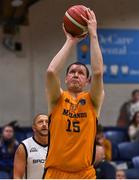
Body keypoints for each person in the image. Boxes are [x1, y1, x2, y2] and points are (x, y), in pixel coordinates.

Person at [43, 8, 104, 179]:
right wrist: (70, 41)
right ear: (66, 79)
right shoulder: (57, 98)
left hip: (85, 174)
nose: (76, 74)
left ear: (87, 81)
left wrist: (93, 35)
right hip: (56, 173)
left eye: (81, 73)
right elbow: (51, 72)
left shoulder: (93, 100)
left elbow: (98, 73)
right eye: (72, 72)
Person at [13, 114, 48, 179]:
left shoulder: (56, 146)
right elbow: (17, 177)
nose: (44, 124)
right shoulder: (24, 147)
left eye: (47, 122)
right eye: (40, 122)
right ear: (34, 128)